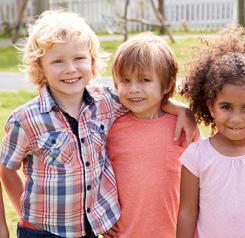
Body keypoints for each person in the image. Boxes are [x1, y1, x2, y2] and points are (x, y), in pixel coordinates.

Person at [0, 10, 196, 238]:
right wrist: (21, 212)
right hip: (41, 232)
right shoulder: (25, 120)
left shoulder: (106, 102)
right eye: (57, 61)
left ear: (92, 61)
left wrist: (180, 108)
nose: (70, 68)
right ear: (40, 67)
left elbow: (142, 98)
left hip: (89, 230)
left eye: (79, 58)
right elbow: (6, 170)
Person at [176, 26, 245, 238]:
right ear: (211, 107)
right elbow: (187, 213)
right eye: (226, 107)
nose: (236, 119)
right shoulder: (196, 157)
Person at [105, 32, 200, 238]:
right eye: (125, 80)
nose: (133, 89)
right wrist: (101, 216)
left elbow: (200, 184)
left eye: (145, 80)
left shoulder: (183, 126)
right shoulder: (110, 127)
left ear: (166, 85)